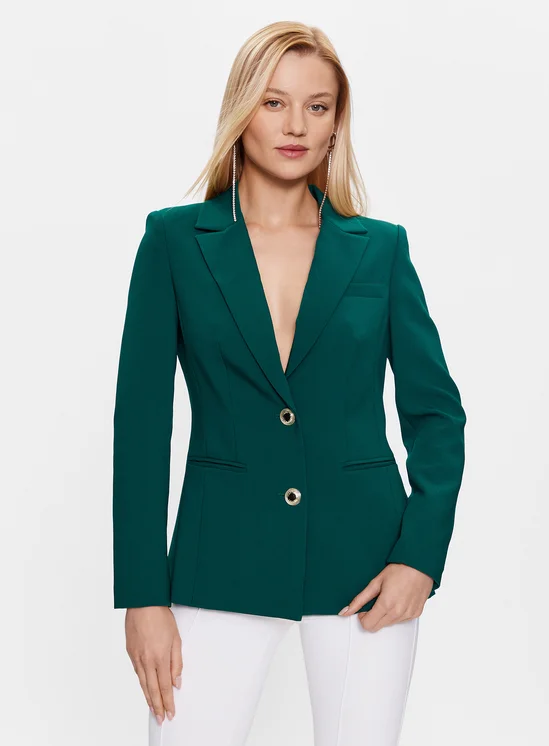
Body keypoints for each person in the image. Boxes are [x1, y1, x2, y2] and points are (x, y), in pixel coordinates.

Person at [112, 20, 467, 746]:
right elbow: (141, 429)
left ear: (337, 122)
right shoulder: (174, 242)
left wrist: (420, 558)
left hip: (366, 562)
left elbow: (436, 414)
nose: (296, 125)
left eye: (318, 105)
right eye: (274, 103)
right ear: (242, 111)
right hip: (219, 557)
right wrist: (143, 596)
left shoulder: (380, 250)